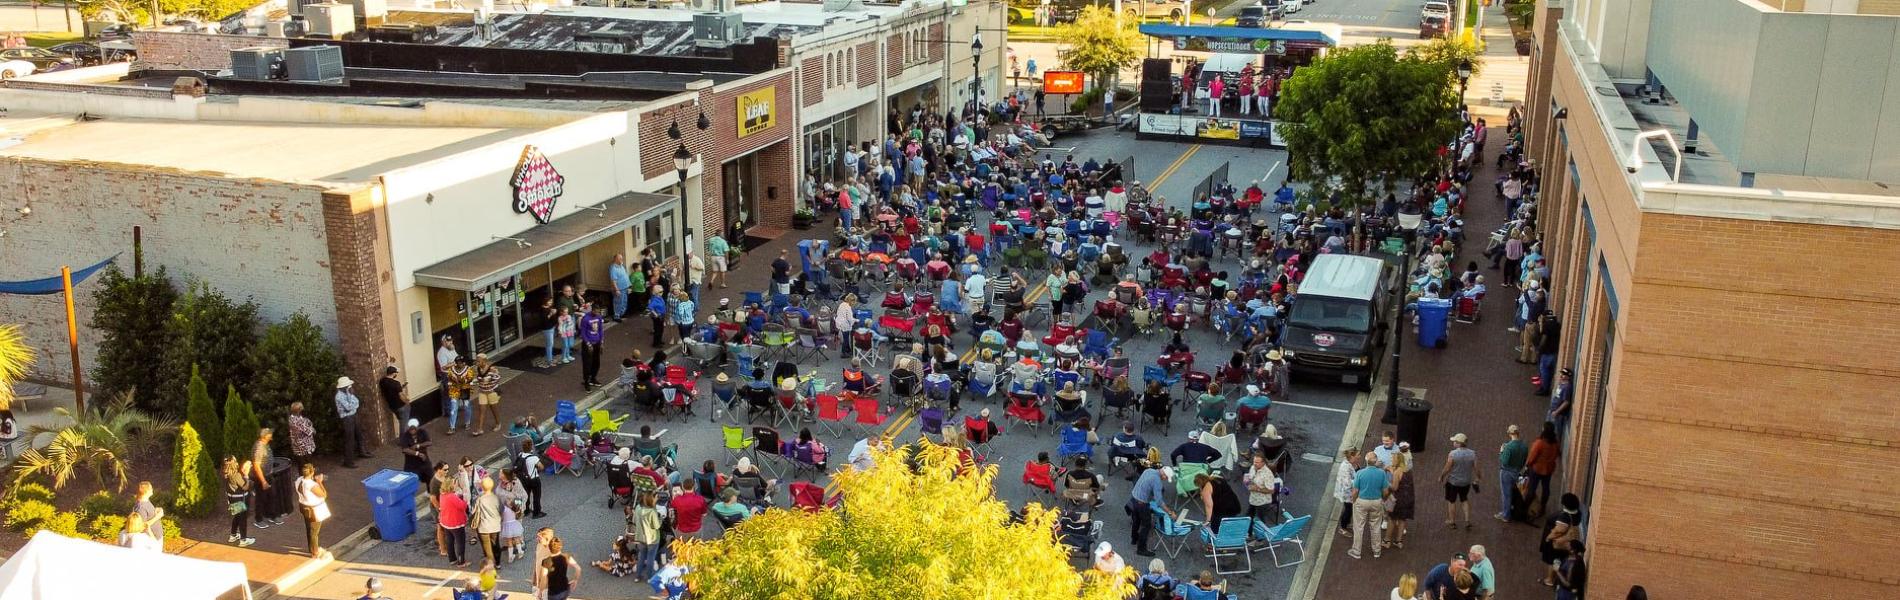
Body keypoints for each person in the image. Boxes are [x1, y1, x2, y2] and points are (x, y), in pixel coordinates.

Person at [1349, 448, 1391, 559]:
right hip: (1376, 501)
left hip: (1361, 501)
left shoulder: (1360, 473)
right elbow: (1386, 491)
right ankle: (1377, 551)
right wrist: (1383, 499)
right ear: (1376, 461)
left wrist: (1354, 500)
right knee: (1375, 526)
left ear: (1366, 461)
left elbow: (1355, 491)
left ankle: (1356, 551)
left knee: (1358, 527)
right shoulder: (1381, 473)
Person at [1125, 465, 1173, 557]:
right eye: (1166, 478)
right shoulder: (1157, 481)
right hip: (1142, 504)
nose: (1165, 479)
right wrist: (1169, 512)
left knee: (1136, 520)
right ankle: (1141, 549)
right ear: (1163, 474)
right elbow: (1159, 501)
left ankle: (1134, 539)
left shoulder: (1149, 470)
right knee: (1146, 525)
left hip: (1133, 499)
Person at [1440, 433, 1480, 529]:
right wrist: (1478, 477)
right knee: (1464, 499)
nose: (1453, 442)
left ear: (1458, 443)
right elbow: (1477, 468)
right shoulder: (1472, 453)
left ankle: (1452, 521)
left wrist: (1441, 476)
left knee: (1451, 501)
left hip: (1453, 482)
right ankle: (1467, 520)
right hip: (1466, 482)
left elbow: (1447, 468)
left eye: (1454, 441)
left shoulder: (1453, 454)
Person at [294, 463, 330, 558]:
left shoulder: (299, 480)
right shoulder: (312, 485)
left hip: (303, 506)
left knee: (308, 528)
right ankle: (315, 552)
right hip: (314, 509)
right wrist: (319, 482)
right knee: (314, 531)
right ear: (312, 472)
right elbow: (324, 495)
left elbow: (306, 482)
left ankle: (312, 548)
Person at [1525, 422, 1561, 516]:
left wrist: (1527, 465)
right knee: (1546, 489)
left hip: (1536, 469)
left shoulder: (1539, 443)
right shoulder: (1555, 443)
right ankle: (1543, 507)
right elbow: (1557, 454)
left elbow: (1532, 457)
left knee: (1531, 489)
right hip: (1548, 469)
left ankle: (1525, 508)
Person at [1383, 443, 1415, 549]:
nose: (1392, 461)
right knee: (1402, 520)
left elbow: (1395, 487)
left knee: (1392, 519)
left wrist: (1387, 483)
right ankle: (1398, 541)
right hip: (1409, 498)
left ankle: (1387, 541)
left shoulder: (1397, 472)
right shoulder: (1408, 470)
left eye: (1393, 459)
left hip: (1398, 500)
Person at [250, 428, 282, 529]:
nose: (271, 434)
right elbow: (256, 465)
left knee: (271, 496)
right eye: (269, 433)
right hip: (261, 477)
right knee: (261, 498)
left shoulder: (265, 444)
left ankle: (271, 515)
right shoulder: (259, 447)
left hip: (268, 475)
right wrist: (263, 481)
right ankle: (258, 520)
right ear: (265, 436)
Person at [334, 376, 371, 464]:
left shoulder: (348, 392)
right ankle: (348, 461)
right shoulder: (339, 396)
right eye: (348, 385)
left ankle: (362, 452)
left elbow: (357, 402)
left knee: (359, 435)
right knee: (349, 439)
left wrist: (352, 401)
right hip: (347, 418)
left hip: (354, 415)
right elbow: (348, 407)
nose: (349, 387)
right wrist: (352, 399)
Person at [1495, 424, 1527, 522]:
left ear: (1509, 434)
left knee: (1506, 494)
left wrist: (1501, 451)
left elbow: (1504, 461)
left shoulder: (1508, 447)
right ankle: (1511, 510)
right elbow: (1523, 461)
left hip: (1506, 472)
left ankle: (1506, 515)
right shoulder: (1524, 446)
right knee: (1514, 493)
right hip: (1517, 471)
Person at [221, 457, 256, 547]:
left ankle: (233, 535)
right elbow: (245, 487)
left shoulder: (227, 474)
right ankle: (243, 540)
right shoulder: (236, 475)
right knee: (242, 519)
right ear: (234, 464)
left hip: (231, 499)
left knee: (236, 517)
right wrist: (247, 476)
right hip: (239, 500)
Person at [473, 477, 503, 568]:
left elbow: (474, 512)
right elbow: (501, 509)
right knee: (495, 544)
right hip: (495, 525)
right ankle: (498, 563)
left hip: (483, 527)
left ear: (482, 487)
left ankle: (490, 565)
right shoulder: (496, 498)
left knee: (487, 548)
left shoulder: (480, 499)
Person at [440, 480, 471, 568]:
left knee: (449, 541)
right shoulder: (452, 496)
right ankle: (461, 562)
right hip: (456, 523)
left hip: (446, 522)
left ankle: (452, 559)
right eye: (455, 484)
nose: (456, 485)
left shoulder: (442, 495)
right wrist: (465, 499)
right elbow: (463, 506)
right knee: (460, 542)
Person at [1243, 452, 1279, 524]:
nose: (1254, 464)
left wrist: (1257, 489)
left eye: (1257, 462)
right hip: (1253, 498)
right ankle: (1248, 533)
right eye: (1254, 462)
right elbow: (1251, 478)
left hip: (1263, 502)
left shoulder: (1268, 474)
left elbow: (1271, 491)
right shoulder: (1253, 467)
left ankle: (1261, 534)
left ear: (1263, 463)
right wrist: (1247, 481)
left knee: (1260, 521)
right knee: (1248, 517)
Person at [1332, 448, 1361, 537]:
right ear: (1352, 456)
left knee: (1350, 509)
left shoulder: (1353, 463)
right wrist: (1359, 481)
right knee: (1348, 510)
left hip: (1352, 492)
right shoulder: (1345, 467)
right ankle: (1342, 527)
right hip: (1347, 493)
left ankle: (1347, 523)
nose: (1359, 456)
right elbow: (1347, 483)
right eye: (1358, 455)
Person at [472, 355, 502, 435]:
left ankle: (498, 423)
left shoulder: (492, 369)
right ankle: (480, 429)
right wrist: (474, 381)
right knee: (482, 410)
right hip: (482, 392)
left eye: (478, 361)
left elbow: (498, 378)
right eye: (476, 361)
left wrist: (489, 379)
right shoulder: (478, 369)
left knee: (493, 409)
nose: (477, 363)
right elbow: (478, 378)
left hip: (491, 392)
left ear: (484, 361)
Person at [580, 303, 607, 390]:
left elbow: (600, 329)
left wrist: (601, 341)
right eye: (596, 311)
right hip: (588, 344)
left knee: (596, 363)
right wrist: (588, 344)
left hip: (597, 343)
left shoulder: (599, 317)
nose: (597, 313)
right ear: (592, 310)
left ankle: (593, 378)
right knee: (587, 364)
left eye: (598, 312)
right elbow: (583, 333)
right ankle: (586, 381)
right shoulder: (585, 319)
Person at [399, 418, 433, 485]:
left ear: (417, 427)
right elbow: (405, 449)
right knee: (410, 482)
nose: (412, 430)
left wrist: (418, 445)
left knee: (430, 477)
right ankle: (411, 494)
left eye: (414, 428)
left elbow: (429, 442)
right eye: (410, 428)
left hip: (424, 461)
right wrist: (417, 453)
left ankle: (430, 492)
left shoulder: (422, 432)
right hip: (411, 464)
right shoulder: (405, 436)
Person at [379, 366, 409, 438]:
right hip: (400, 405)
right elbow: (400, 395)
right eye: (396, 373)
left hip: (392, 406)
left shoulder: (382, 381)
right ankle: (403, 440)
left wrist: (401, 387)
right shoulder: (396, 383)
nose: (396, 374)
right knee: (403, 423)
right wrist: (407, 402)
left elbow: (391, 390)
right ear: (393, 373)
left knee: (402, 421)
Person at [133, 481, 165, 547]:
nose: (152, 490)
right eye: (151, 488)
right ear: (146, 491)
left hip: (157, 537)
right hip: (152, 540)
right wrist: (158, 517)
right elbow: (142, 526)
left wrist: (155, 510)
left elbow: (148, 515)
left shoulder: (146, 500)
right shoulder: (141, 508)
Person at [287, 402, 316, 468]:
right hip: (305, 447)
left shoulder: (291, 419)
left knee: (300, 465)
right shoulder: (300, 421)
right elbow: (310, 431)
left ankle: (301, 477)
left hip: (296, 446)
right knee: (308, 466)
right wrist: (312, 429)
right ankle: (309, 477)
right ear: (300, 410)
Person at [610, 253, 632, 321]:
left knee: (624, 302)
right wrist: (617, 290)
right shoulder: (613, 268)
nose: (621, 260)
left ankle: (621, 314)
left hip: (625, 287)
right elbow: (613, 280)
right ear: (615, 259)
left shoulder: (621, 266)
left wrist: (628, 286)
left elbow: (625, 276)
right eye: (620, 258)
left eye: (621, 258)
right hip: (620, 289)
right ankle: (616, 316)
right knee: (618, 302)